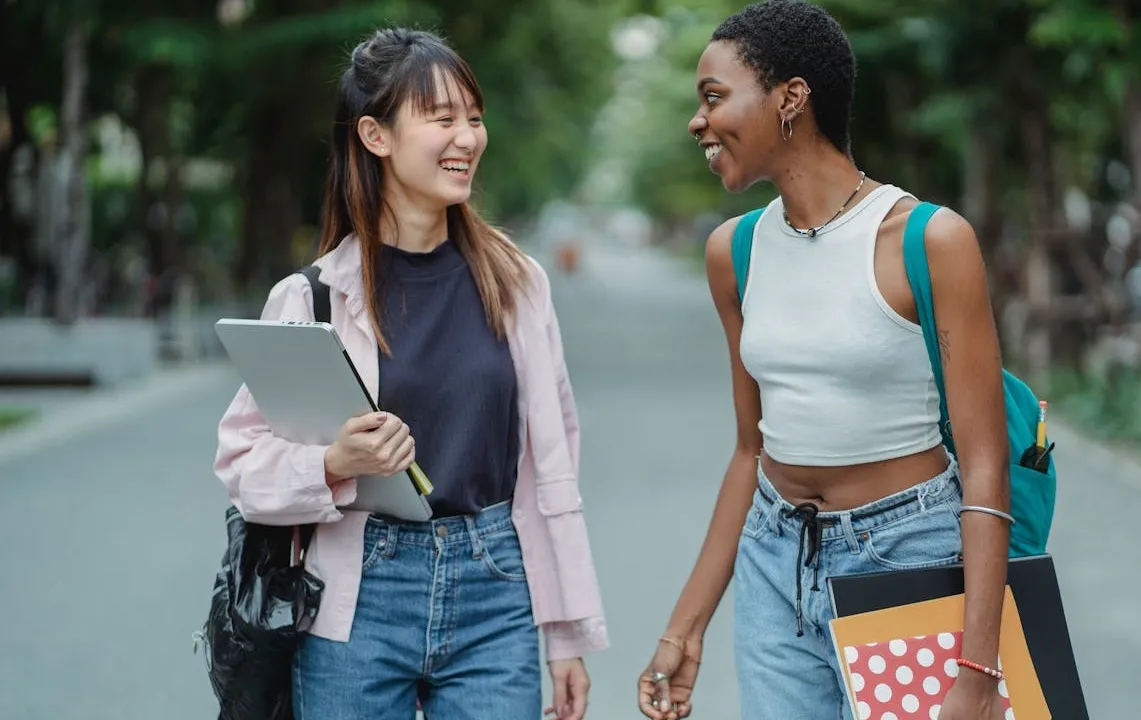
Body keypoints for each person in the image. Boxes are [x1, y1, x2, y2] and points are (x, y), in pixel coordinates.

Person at [214, 27, 606, 720]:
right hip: (357, 599)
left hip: (496, 588)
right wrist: (335, 461)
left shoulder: (516, 283)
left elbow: (553, 468)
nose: (468, 138)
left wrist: (565, 634)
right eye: (443, 118)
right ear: (376, 136)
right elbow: (242, 464)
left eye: (474, 118)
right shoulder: (312, 298)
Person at [637, 2, 1011, 719]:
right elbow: (750, 450)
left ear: (791, 99)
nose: (697, 121)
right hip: (776, 559)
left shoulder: (929, 241)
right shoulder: (734, 254)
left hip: (907, 554)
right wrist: (685, 630)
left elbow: (985, 462)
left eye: (714, 98)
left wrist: (977, 666)